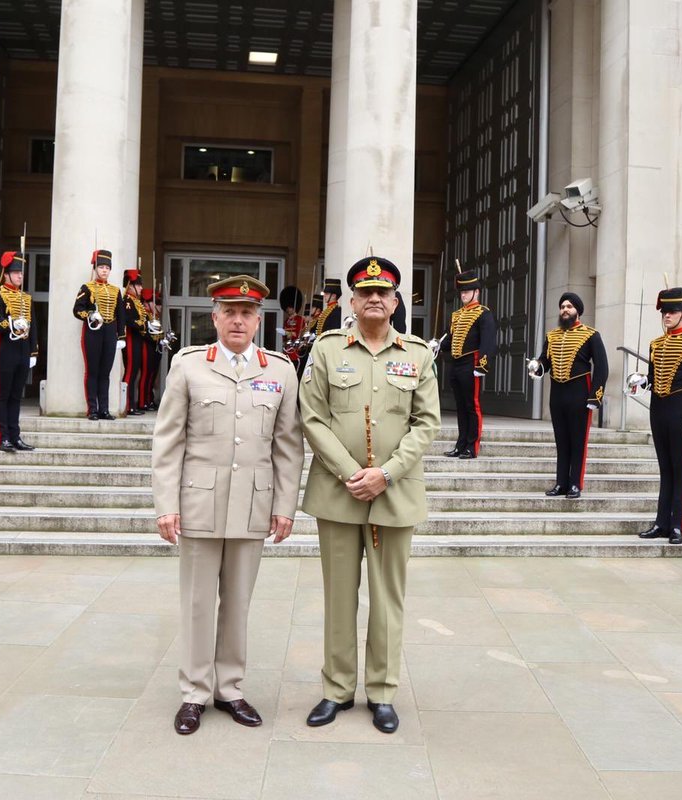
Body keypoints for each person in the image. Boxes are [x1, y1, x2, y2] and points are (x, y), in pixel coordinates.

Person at [151, 275, 304, 735]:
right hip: (198, 502)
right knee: (198, 602)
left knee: (238, 602)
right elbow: (168, 438)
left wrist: (285, 506)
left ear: (259, 320)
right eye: (229, 313)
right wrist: (166, 503)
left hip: (253, 507)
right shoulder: (189, 365)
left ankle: (230, 689)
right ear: (214, 318)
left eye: (247, 313)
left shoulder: (279, 370)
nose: (238, 321)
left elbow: (288, 445)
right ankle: (195, 692)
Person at [300, 256, 441, 734]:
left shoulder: (418, 354)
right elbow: (312, 417)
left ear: (396, 301)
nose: (374, 299)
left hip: (394, 495)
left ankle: (382, 692)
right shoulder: (326, 349)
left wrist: (386, 474)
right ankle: (337, 689)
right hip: (338, 496)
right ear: (352, 302)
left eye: (383, 292)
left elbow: (427, 424)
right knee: (339, 596)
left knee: (387, 599)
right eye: (365, 292)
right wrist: (349, 473)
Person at [631, 287, 682, 545]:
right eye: (664, 311)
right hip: (658, 408)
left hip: (680, 408)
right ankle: (661, 522)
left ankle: (677, 525)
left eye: (672, 311)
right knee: (665, 469)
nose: (666, 316)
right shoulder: (655, 344)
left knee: (680, 470)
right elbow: (654, 378)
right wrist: (642, 382)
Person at [528, 292, 608, 499]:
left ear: (577, 311)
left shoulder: (591, 335)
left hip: (579, 393)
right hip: (557, 393)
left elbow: (602, 367)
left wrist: (595, 397)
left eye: (569, 307)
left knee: (577, 441)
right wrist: (537, 366)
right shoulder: (551, 336)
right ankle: (561, 483)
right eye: (562, 306)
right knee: (561, 441)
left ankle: (575, 484)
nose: (565, 310)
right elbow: (545, 361)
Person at [441, 269, 495, 458]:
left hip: (471, 363)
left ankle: (472, 446)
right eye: (462, 291)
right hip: (456, 364)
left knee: (472, 406)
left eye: (467, 291)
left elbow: (487, 341)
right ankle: (460, 444)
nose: (463, 294)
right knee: (460, 406)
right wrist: (437, 345)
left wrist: (482, 365)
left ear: (476, 292)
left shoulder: (483, 313)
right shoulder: (456, 315)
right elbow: (450, 339)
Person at [0, 250, 37, 452]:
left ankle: (15, 436)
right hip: (6, 350)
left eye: (21, 273)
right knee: (3, 395)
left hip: (22, 350)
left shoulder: (26, 298)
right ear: (6, 273)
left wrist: (33, 352)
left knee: (17, 396)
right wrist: (11, 324)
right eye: (16, 272)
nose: (19, 276)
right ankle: (4, 436)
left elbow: (34, 327)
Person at [72, 249, 126, 420]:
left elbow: (121, 314)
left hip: (110, 331)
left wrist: (121, 335)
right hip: (93, 331)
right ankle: (92, 409)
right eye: (101, 267)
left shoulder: (116, 290)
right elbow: (77, 309)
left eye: (107, 268)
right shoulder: (87, 287)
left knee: (105, 372)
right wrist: (89, 314)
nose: (104, 270)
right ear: (95, 268)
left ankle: (104, 409)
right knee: (92, 371)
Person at [121, 269, 150, 415]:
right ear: (130, 286)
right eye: (137, 285)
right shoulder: (127, 300)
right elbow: (127, 319)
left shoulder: (135, 301)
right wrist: (140, 324)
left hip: (137, 338)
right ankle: (128, 405)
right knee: (130, 372)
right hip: (131, 338)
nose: (140, 288)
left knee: (134, 372)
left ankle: (132, 404)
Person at [142, 288, 164, 410]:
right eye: (156, 303)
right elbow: (147, 333)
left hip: (155, 346)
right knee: (146, 375)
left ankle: (149, 399)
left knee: (152, 375)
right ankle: (143, 401)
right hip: (148, 346)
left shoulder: (154, 316)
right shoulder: (145, 316)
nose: (159, 306)